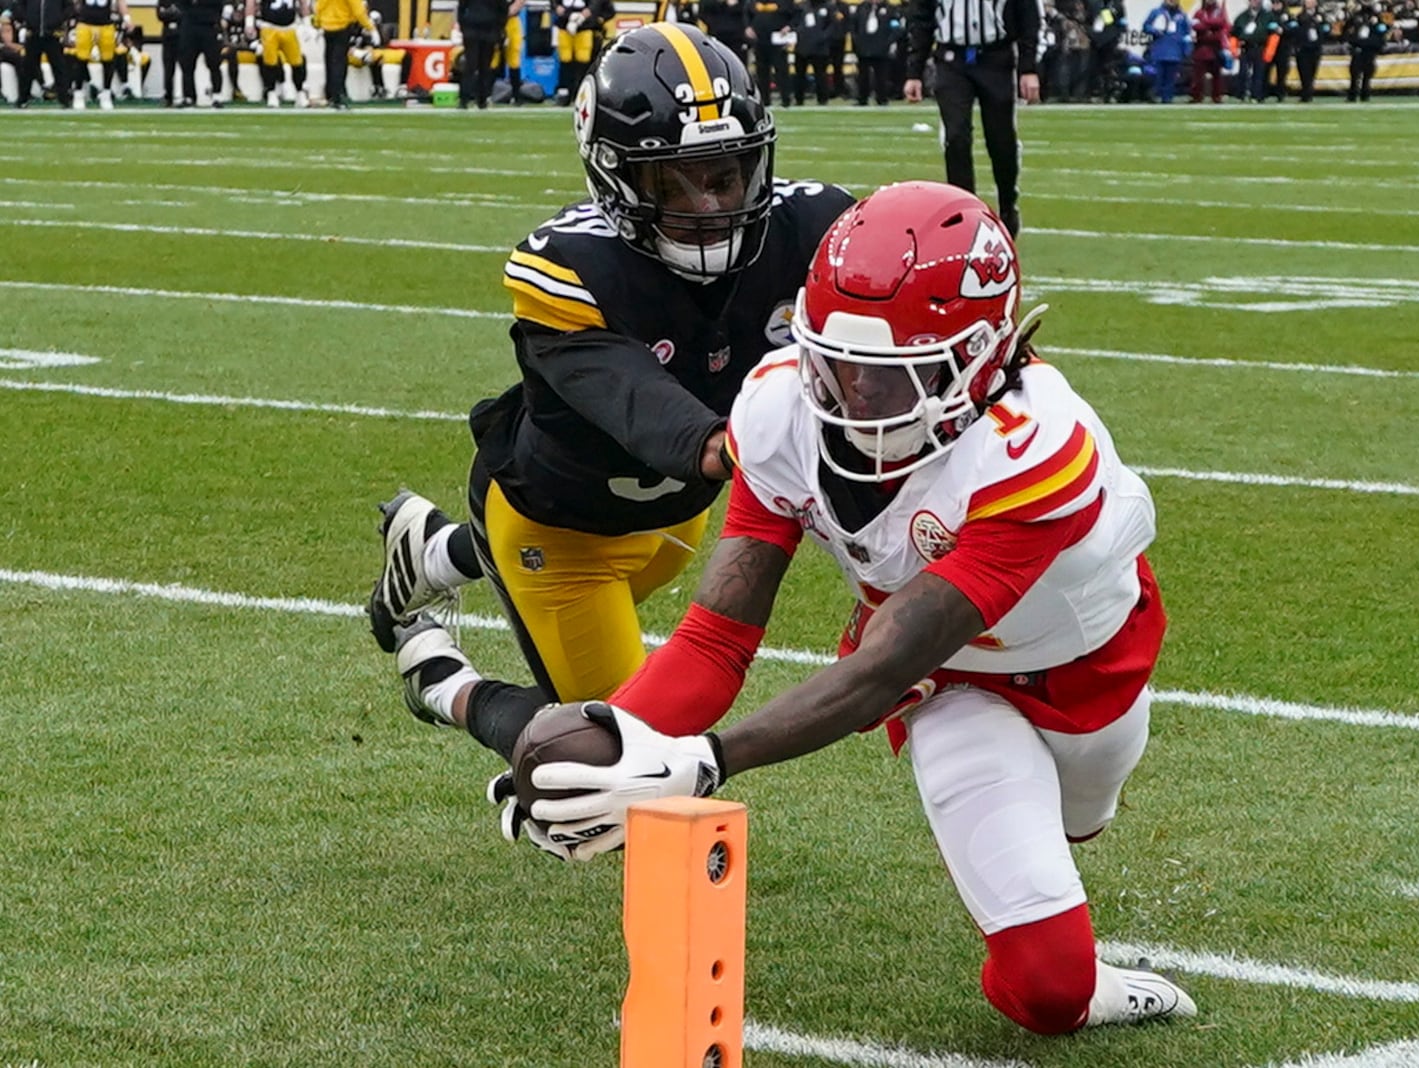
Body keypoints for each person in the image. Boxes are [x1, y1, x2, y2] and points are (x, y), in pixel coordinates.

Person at [477, 181, 1200, 1035]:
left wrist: (704, 760)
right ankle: (1095, 985)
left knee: (1085, 819)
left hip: (1087, 672)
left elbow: (878, 667)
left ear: (980, 357)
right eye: (834, 360)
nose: (852, 394)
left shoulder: (1031, 447)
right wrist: (612, 740)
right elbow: (716, 637)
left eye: (892, 375)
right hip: (953, 684)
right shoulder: (785, 406)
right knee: (1048, 995)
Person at [371, 23, 854, 764]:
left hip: (673, 523)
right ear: (615, 179)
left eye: (724, 175)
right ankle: (438, 675)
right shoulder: (569, 267)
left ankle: (433, 551)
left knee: (623, 724)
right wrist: (728, 444)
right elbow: (636, 400)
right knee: (617, 754)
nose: (707, 204)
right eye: (672, 183)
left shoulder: (814, 226)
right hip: (558, 536)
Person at [903, 0, 1039, 236]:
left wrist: (1028, 68)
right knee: (956, 136)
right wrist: (914, 71)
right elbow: (922, 16)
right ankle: (964, 215)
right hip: (951, 59)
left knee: (1001, 141)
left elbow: (1028, 14)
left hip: (995, 57)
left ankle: (1008, 205)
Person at [313, 0, 376, 107]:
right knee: (339, 62)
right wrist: (371, 28)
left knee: (329, 60)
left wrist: (318, 23)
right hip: (342, 25)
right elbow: (358, 10)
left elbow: (319, 6)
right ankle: (338, 95)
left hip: (327, 26)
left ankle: (330, 94)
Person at [246, 0, 308, 105]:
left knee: (297, 62)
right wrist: (249, 23)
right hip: (269, 27)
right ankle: (271, 92)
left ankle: (300, 92)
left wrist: (307, 22)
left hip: (290, 27)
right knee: (270, 63)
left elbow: (303, 2)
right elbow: (251, 2)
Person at [13, 0, 73, 107]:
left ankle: (64, 99)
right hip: (33, 34)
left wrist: (58, 19)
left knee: (59, 67)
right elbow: (18, 6)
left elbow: (69, 7)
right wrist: (27, 18)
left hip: (53, 35)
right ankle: (23, 98)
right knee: (28, 68)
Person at [69, 0, 128, 107]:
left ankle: (106, 93)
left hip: (106, 24)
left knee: (108, 60)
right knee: (81, 60)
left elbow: (120, 1)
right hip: (85, 23)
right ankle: (78, 93)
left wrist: (127, 18)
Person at [453, 0, 508, 107]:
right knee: (480, 66)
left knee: (474, 66)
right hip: (484, 31)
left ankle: (468, 99)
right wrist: (499, 28)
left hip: (477, 30)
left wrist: (463, 26)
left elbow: (461, 7)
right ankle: (477, 99)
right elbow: (503, 10)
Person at [1140, 0, 1188, 101]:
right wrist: (1155, 31)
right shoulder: (1157, 12)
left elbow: (1186, 33)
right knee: (1158, 77)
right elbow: (1146, 26)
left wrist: (1186, 50)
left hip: (1175, 52)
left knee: (1171, 79)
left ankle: (1167, 99)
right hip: (1159, 50)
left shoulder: (1182, 15)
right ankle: (1153, 96)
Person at [851, 0, 895, 104]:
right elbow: (853, 26)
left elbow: (896, 29)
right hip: (863, 49)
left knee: (881, 76)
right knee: (863, 76)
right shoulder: (861, 8)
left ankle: (882, 99)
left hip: (881, 49)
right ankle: (862, 99)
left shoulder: (890, 9)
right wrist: (857, 41)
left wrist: (887, 43)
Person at [1342, 0, 1386, 101]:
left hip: (1369, 49)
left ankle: (1365, 94)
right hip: (1358, 48)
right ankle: (1352, 94)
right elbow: (1346, 30)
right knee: (1354, 73)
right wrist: (1352, 41)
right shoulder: (1356, 16)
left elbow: (1381, 33)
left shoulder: (1376, 17)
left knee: (1367, 73)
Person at [1284, 0, 1327, 99]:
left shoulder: (1320, 16)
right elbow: (1293, 30)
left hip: (1315, 48)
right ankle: (1305, 93)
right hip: (1303, 49)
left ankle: (1308, 92)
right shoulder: (1299, 16)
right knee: (1304, 72)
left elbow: (1326, 29)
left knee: (1312, 71)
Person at [1230, 0, 1270, 100]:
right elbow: (1234, 34)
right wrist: (1234, 49)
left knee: (1259, 73)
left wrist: (1270, 50)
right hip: (1245, 48)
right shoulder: (1242, 17)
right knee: (1243, 72)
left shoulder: (1267, 16)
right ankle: (1241, 94)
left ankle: (1256, 95)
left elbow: (1273, 33)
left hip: (1260, 47)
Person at [1188, 0, 1225, 101]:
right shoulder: (1199, 12)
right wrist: (1211, 26)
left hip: (1215, 49)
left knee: (1216, 75)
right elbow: (1194, 25)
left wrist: (1205, 23)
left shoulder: (1219, 11)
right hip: (1201, 48)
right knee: (1198, 76)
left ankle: (1217, 96)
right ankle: (1197, 96)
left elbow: (1221, 22)